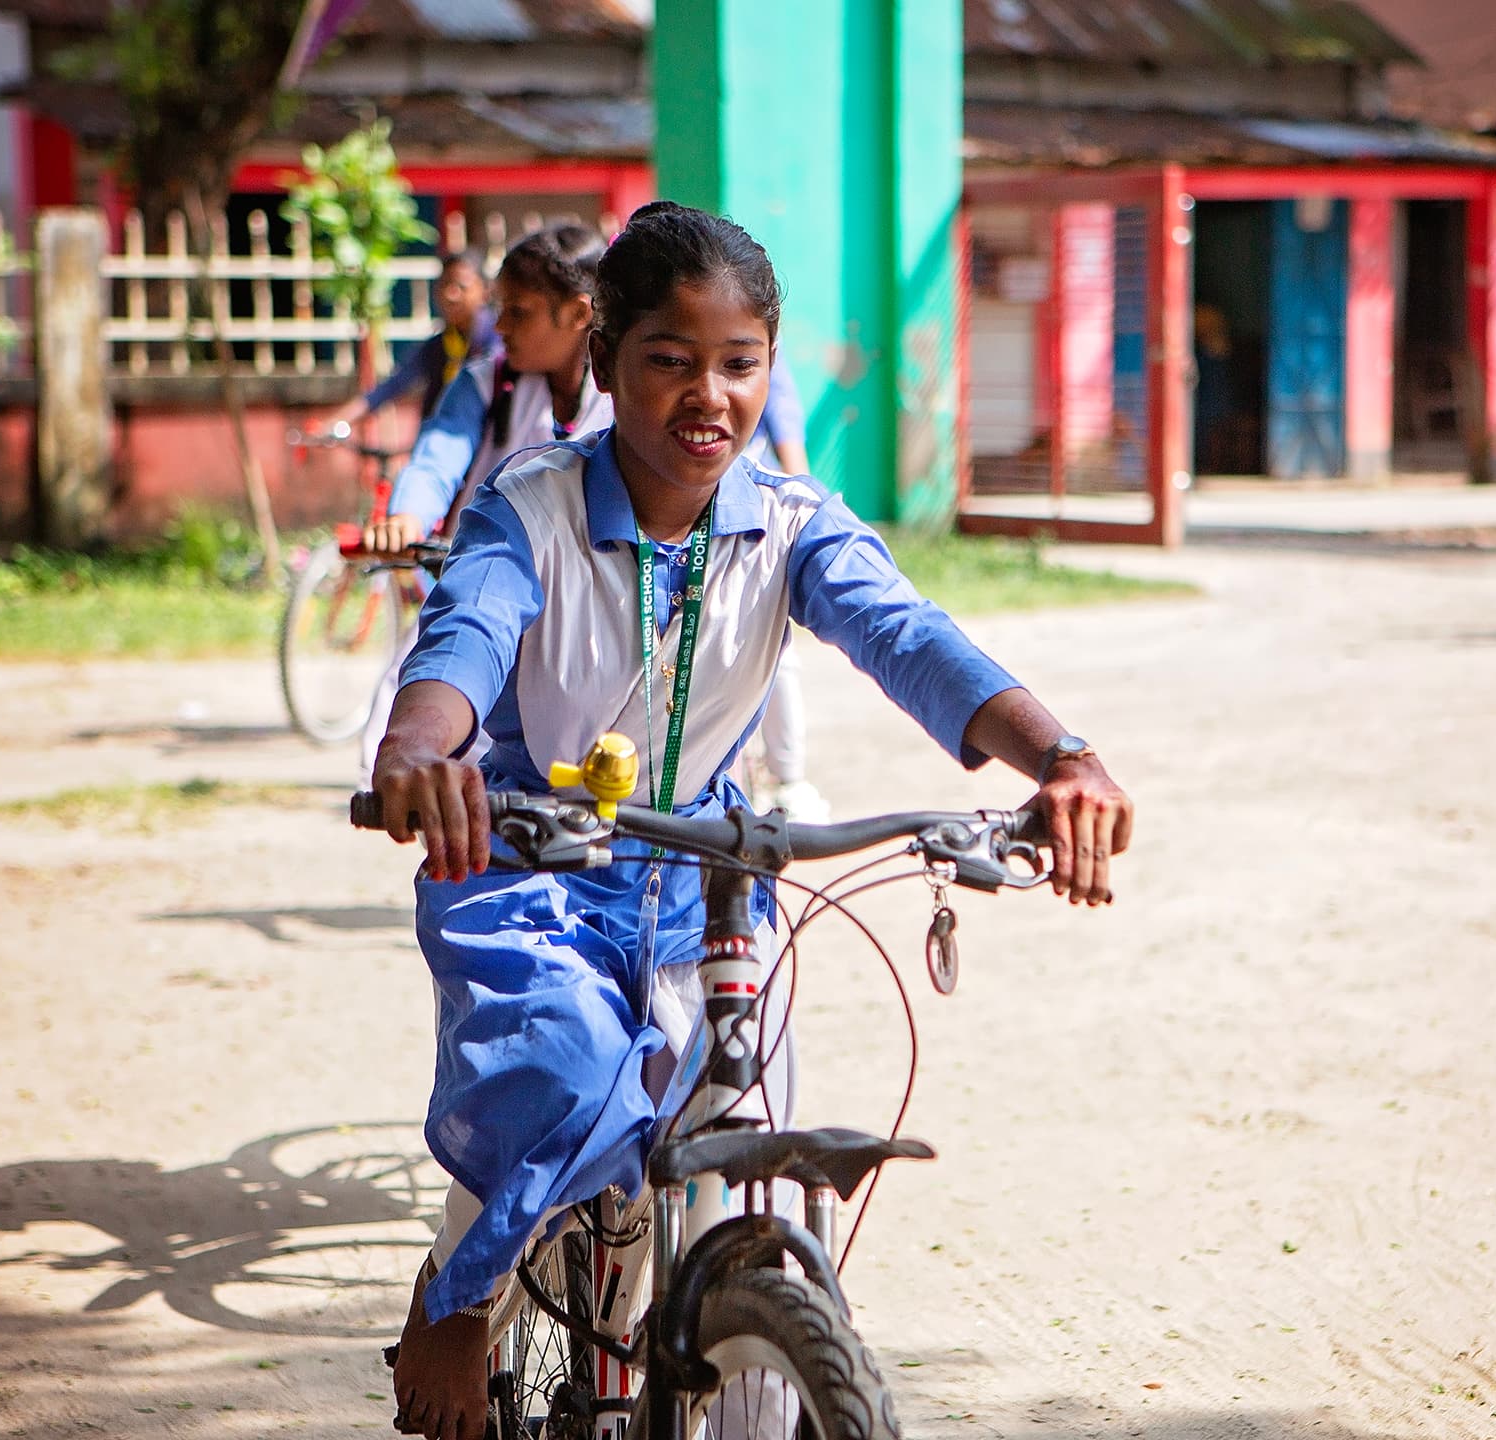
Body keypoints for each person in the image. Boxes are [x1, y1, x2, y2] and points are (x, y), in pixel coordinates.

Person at [366, 201, 1133, 1440]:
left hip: (705, 879)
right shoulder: (532, 506)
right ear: (605, 358)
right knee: (560, 1073)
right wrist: (419, 756)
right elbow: (463, 643)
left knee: (745, 1149)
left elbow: (909, 638)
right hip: (522, 859)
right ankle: (461, 1299)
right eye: (670, 360)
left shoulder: (791, 523)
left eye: (739, 364)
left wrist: (1063, 756)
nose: (707, 397)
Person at [353, 221, 612, 778]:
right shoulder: (485, 382)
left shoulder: (624, 398)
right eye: (499, 308)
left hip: (587, 605)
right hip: (485, 582)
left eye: (519, 311)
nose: (500, 325)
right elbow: (437, 458)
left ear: (579, 313)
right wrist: (406, 517)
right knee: (416, 699)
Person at [739, 350, 829, 821]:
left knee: (775, 651)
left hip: (752, 530)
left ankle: (787, 779)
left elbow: (794, 460)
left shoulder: (770, 366)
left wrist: (802, 529)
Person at [321, 247, 497, 436]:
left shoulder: (496, 342)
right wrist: (337, 421)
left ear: (485, 290)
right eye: (444, 285)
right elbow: (393, 385)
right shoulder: (439, 345)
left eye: (461, 286)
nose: (450, 294)